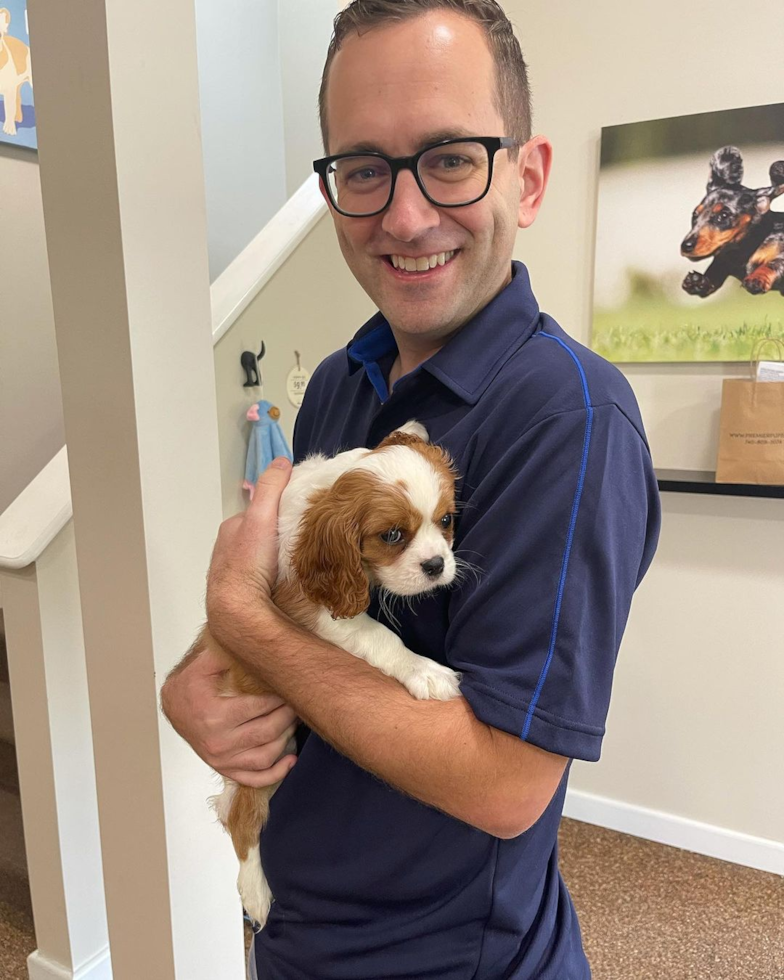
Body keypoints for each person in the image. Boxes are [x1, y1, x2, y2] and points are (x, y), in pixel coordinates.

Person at [161, 2, 661, 977]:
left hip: (439, 957)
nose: (403, 214)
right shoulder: (342, 381)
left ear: (528, 174)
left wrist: (240, 619)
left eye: (450, 157)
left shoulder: (570, 419)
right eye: (362, 168)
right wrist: (197, 673)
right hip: (301, 922)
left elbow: (507, 781)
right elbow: (290, 596)